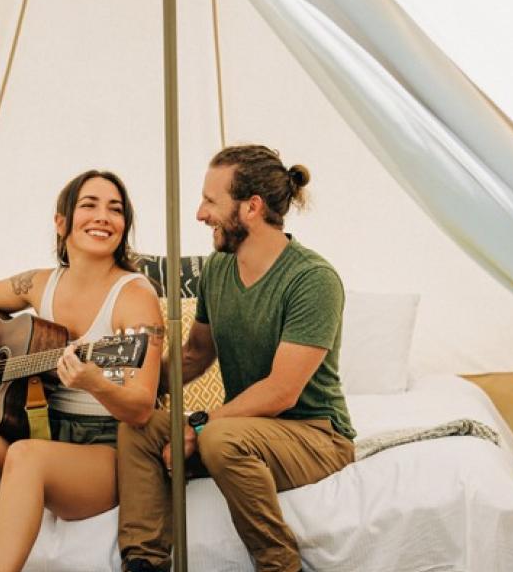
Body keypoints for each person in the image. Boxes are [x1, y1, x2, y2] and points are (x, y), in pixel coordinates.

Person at [117, 145, 355, 572]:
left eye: (210, 200)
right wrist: (135, 385)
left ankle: (280, 564)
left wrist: (200, 423)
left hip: (316, 436)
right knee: (139, 429)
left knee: (218, 439)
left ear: (251, 207)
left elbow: (282, 392)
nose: (199, 213)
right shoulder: (217, 271)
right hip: (244, 429)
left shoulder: (312, 280)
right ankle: (144, 562)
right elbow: (194, 355)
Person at [0, 170, 164, 572]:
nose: (102, 217)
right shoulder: (39, 284)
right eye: (88, 205)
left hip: (109, 447)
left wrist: (95, 383)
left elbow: (141, 408)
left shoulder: (133, 295)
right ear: (61, 223)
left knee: (27, 457)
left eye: (115, 209)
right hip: (47, 431)